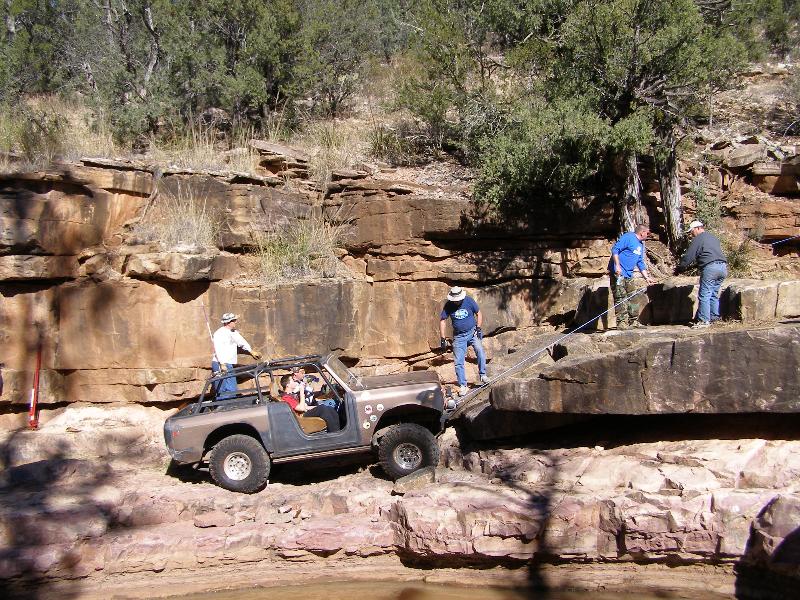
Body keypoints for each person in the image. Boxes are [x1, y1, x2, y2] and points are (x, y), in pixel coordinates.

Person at [439, 286, 488, 397]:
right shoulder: (449, 305)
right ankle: (463, 385)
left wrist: (478, 328)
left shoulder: (469, 301)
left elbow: (479, 313)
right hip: (459, 336)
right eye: (455, 300)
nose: (456, 302)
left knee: (480, 351)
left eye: (458, 300)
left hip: (472, 332)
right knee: (458, 362)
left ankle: (483, 375)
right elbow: (442, 320)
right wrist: (442, 338)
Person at [678, 220, 728, 329]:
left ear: (698, 228)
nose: (691, 234)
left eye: (691, 231)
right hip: (723, 267)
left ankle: (704, 320)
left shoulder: (698, 238)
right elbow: (710, 254)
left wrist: (680, 267)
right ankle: (714, 317)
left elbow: (689, 255)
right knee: (714, 293)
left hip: (710, 268)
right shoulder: (713, 237)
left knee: (704, 294)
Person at [608, 224, 652, 330]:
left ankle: (634, 321)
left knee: (633, 296)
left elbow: (640, 262)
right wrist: (617, 265)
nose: (648, 235)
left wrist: (646, 277)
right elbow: (615, 250)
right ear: (642, 232)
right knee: (620, 297)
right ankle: (622, 323)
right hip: (618, 273)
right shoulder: (628, 237)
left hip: (629, 274)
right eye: (647, 233)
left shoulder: (640, 244)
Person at [211, 312, 262, 395]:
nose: (236, 322)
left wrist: (251, 351)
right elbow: (218, 349)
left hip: (229, 364)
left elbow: (241, 341)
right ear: (228, 322)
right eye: (234, 320)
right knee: (224, 390)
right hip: (221, 364)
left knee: (232, 389)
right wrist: (222, 363)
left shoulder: (233, 332)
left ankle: (230, 401)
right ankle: (223, 403)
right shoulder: (219, 333)